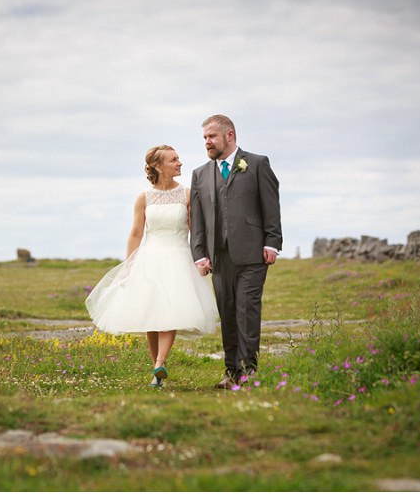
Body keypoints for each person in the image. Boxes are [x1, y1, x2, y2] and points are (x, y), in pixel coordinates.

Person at [86, 145, 219, 388]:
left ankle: (160, 361)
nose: (180, 163)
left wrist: (201, 257)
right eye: (174, 160)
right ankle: (156, 373)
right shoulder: (144, 198)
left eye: (178, 158)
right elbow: (136, 233)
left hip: (178, 257)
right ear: (158, 166)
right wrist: (129, 264)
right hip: (150, 258)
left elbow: (195, 231)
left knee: (170, 311)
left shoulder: (187, 194)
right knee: (151, 315)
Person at [190, 115, 282, 389]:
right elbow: (198, 220)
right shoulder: (200, 174)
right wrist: (199, 254)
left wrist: (272, 242)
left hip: (252, 254)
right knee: (228, 313)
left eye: (212, 136)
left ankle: (248, 373)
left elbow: (271, 205)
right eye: (205, 137)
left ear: (229, 136)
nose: (207, 142)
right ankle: (231, 372)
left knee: (247, 312)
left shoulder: (256, 164)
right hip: (219, 258)